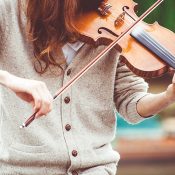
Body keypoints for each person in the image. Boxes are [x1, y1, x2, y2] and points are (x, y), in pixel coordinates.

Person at [0, 0, 175, 175]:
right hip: (23, 168)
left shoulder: (116, 26)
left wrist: (168, 96)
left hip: (96, 168)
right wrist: (9, 79)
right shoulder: (9, 11)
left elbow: (130, 100)